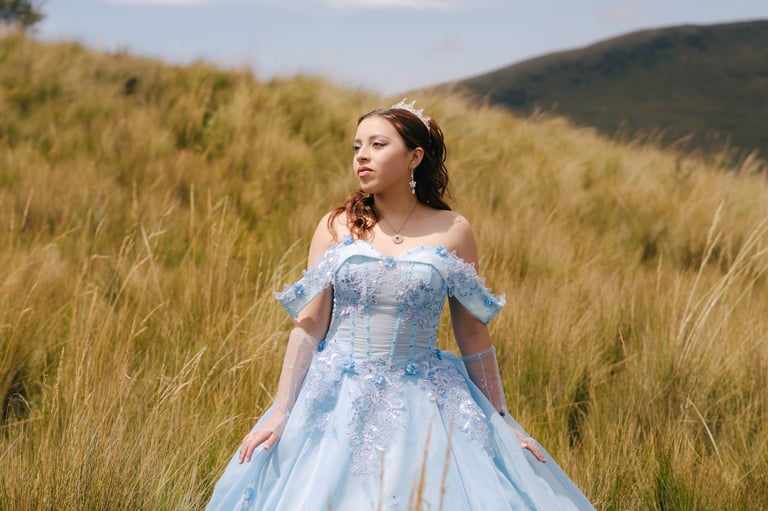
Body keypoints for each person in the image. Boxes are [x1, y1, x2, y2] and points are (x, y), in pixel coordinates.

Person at [206, 99, 595, 510]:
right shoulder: (336, 225)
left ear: (414, 157)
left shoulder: (453, 230)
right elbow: (309, 324)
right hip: (336, 401)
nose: (362, 156)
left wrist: (501, 421)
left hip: (425, 402)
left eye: (377, 144)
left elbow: (472, 332)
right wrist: (282, 412)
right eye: (357, 146)